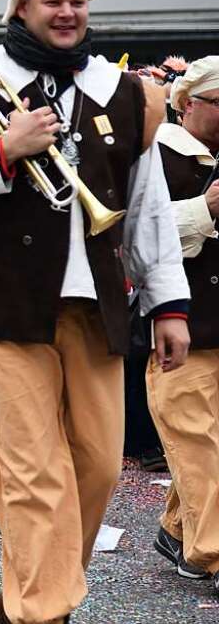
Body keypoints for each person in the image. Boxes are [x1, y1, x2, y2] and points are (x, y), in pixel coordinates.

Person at [0, 0, 191, 624]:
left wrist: (169, 302)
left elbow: (148, 209)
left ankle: (22, 601)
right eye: (53, 1)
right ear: (22, 6)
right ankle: (44, 612)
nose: (67, 12)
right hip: (2, 306)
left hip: (96, 304)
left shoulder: (127, 94)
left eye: (77, 1)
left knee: (96, 466)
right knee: (32, 473)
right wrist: (4, 151)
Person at [147, 56, 219, 595]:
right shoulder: (154, 155)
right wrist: (205, 208)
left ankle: (178, 529)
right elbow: (131, 237)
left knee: (207, 447)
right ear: (190, 103)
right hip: (179, 327)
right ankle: (214, 554)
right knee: (197, 443)